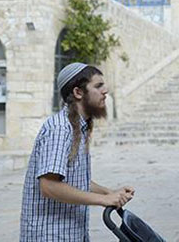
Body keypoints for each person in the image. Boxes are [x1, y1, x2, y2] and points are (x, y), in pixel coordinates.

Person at [20, 63, 135, 241]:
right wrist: (104, 200)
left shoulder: (78, 127)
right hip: (51, 236)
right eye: (98, 86)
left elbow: (75, 180)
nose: (106, 90)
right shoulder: (59, 129)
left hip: (72, 233)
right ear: (78, 92)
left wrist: (109, 193)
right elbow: (49, 186)